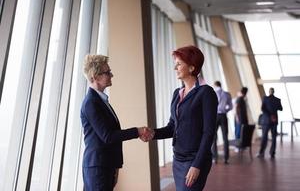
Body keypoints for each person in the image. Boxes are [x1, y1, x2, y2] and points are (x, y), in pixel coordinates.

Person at [148, 46, 218, 191]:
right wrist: (152, 133)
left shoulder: (206, 93)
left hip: (195, 159)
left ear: (192, 68)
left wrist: (197, 165)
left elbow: (209, 132)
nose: (175, 68)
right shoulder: (177, 93)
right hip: (178, 159)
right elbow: (172, 127)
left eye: (179, 64)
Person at [80, 54, 153, 191]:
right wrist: (137, 131)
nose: (111, 75)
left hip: (104, 165)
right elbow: (108, 136)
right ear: (95, 77)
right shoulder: (91, 103)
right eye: (107, 72)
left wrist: (116, 166)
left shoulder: (100, 100)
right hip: (97, 168)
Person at [257, 87, 283, 159]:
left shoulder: (265, 99)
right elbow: (281, 108)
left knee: (264, 137)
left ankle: (261, 152)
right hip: (274, 120)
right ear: (273, 92)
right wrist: (273, 113)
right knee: (273, 137)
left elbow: (262, 108)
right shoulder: (277, 100)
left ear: (269, 92)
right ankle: (272, 153)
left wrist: (269, 115)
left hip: (266, 121)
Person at [211, 81, 233, 164]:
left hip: (215, 116)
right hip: (223, 116)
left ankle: (214, 158)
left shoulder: (213, 93)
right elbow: (230, 106)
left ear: (215, 85)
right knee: (225, 137)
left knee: (213, 137)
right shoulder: (227, 94)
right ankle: (226, 158)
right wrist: (225, 110)